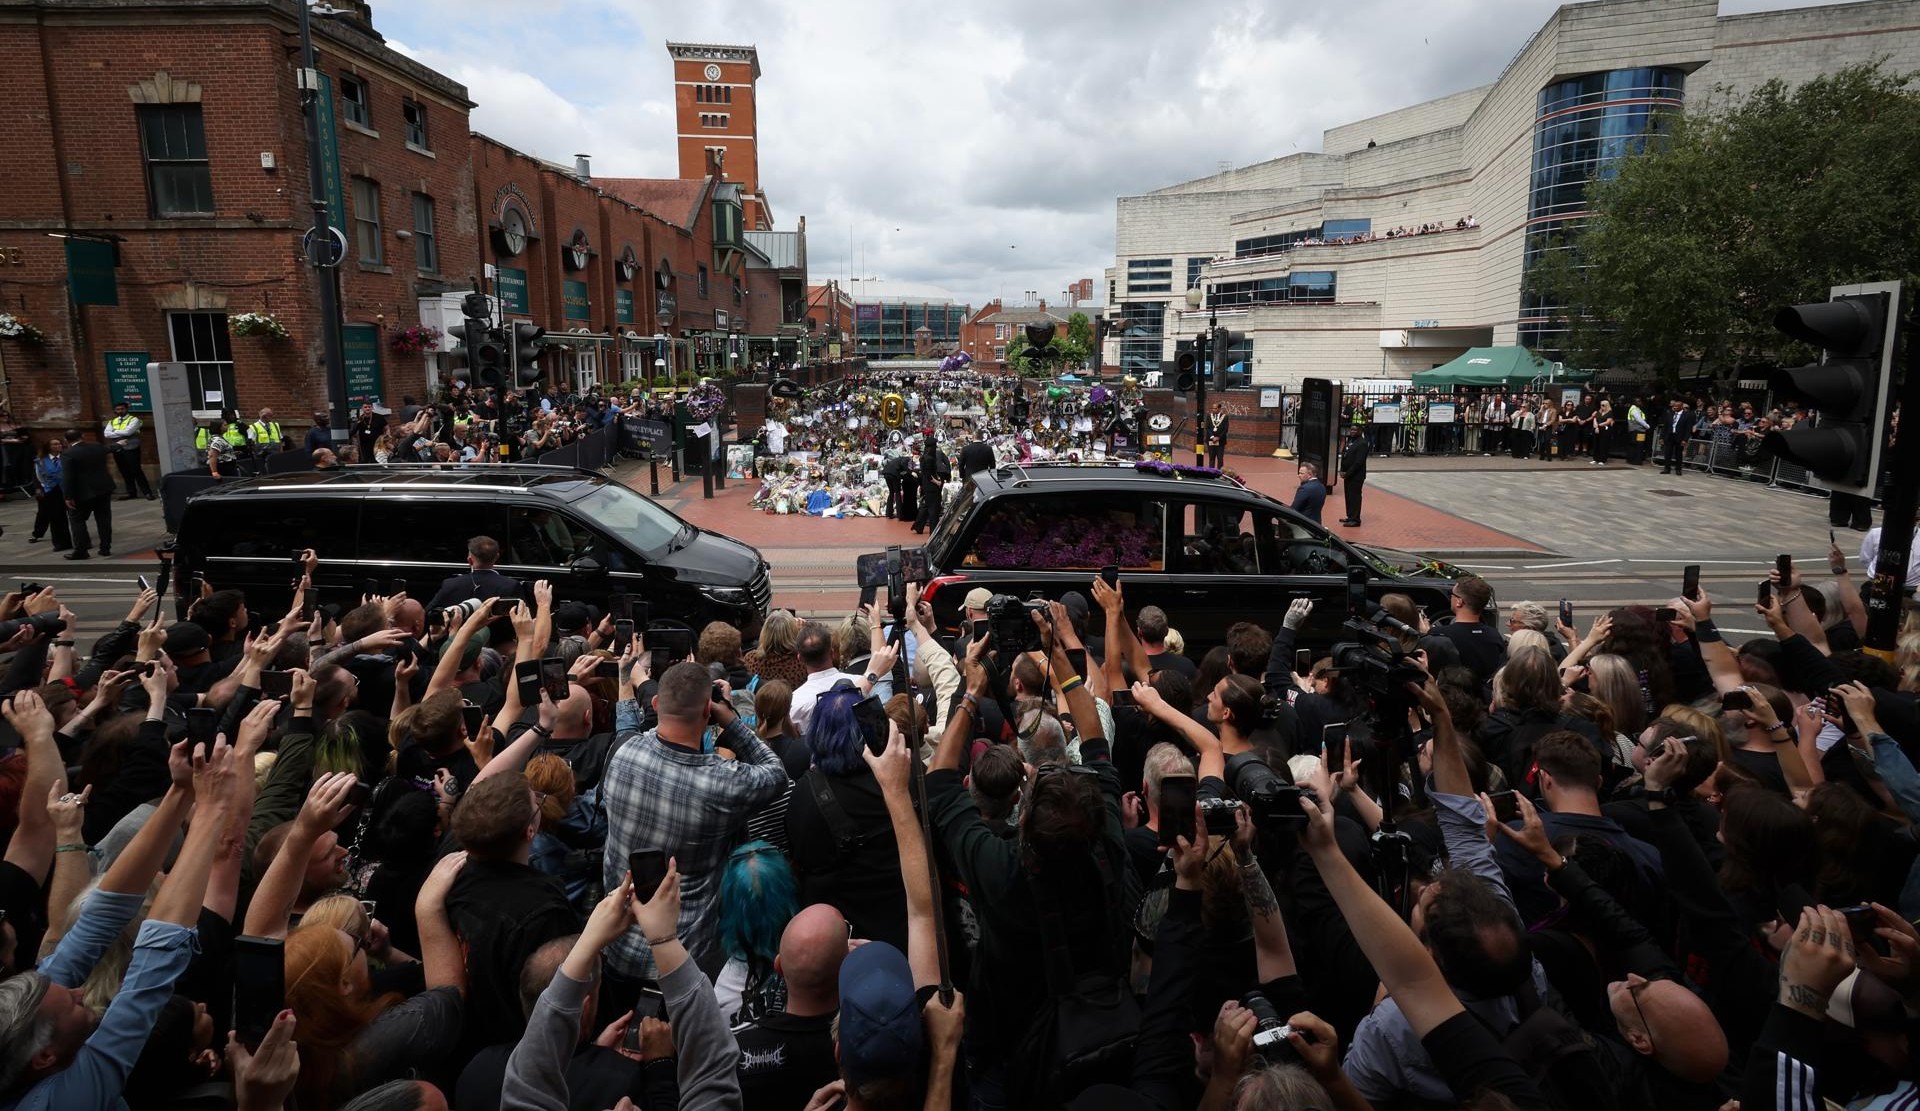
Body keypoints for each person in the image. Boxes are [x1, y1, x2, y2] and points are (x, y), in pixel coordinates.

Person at [599, 659, 788, 998]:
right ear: (706, 710)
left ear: (656, 705)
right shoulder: (719, 781)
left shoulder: (623, 752)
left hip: (614, 945)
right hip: (680, 963)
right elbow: (775, 774)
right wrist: (730, 720)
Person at [60, 426, 115, 560]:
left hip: (82, 492)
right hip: (103, 488)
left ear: (66, 440)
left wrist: (68, 496)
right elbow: (110, 448)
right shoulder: (97, 446)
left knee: (77, 520)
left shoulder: (68, 454)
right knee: (104, 519)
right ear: (82, 436)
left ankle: (81, 550)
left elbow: (68, 477)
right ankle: (105, 548)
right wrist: (120, 444)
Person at [426, 536, 520, 611]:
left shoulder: (450, 584)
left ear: (470, 560)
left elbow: (430, 612)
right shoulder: (511, 586)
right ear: (497, 557)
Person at [27, 436, 71, 552]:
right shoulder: (41, 460)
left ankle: (79, 540)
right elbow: (37, 476)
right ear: (48, 447)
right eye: (55, 444)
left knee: (74, 516)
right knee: (55, 518)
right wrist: (39, 488)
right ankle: (60, 543)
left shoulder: (67, 457)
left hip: (66, 489)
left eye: (59, 444)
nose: (58, 446)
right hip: (50, 490)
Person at [102, 403, 154, 500]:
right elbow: (106, 434)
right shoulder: (112, 421)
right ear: (115, 410)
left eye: (122, 409)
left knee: (136, 470)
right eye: (117, 409)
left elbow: (128, 432)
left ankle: (147, 493)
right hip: (117, 448)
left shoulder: (134, 419)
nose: (120, 411)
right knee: (124, 471)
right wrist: (119, 433)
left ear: (126, 409)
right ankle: (131, 493)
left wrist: (114, 432)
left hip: (132, 447)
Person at [1338, 424, 1368, 527]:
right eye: (1351, 430)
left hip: (1356, 476)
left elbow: (1358, 462)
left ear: (1360, 431)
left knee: (1355, 497)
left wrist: (1348, 473)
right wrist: (1342, 470)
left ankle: (1355, 519)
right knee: (1348, 496)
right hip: (1348, 474)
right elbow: (1345, 456)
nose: (1352, 431)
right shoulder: (1350, 441)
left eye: (1355, 430)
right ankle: (1350, 516)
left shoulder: (1362, 443)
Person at [1660, 397, 1693, 475]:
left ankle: (1678, 469)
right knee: (1667, 453)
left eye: (1677, 406)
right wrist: (1661, 437)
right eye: (1674, 406)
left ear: (1681, 407)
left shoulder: (1687, 416)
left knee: (1678, 454)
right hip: (1669, 436)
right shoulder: (1670, 414)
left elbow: (1688, 429)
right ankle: (1667, 468)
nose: (1674, 407)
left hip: (1679, 437)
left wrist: (1685, 439)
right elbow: (1665, 426)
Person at [1204, 401, 1229, 469]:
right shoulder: (1209, 416)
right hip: (1211, 440)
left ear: (1219, 409)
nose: (1213, 409)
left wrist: (1218, 437)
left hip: (1220, 441)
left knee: (1220, 458)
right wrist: (1212, 437)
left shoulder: (1225, 417)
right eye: (1213, 408)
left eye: (1215, 408)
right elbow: (1207, 428)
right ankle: (1211, 473)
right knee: (1211, 458)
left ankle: (1219, 473)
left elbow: (1225, 429)